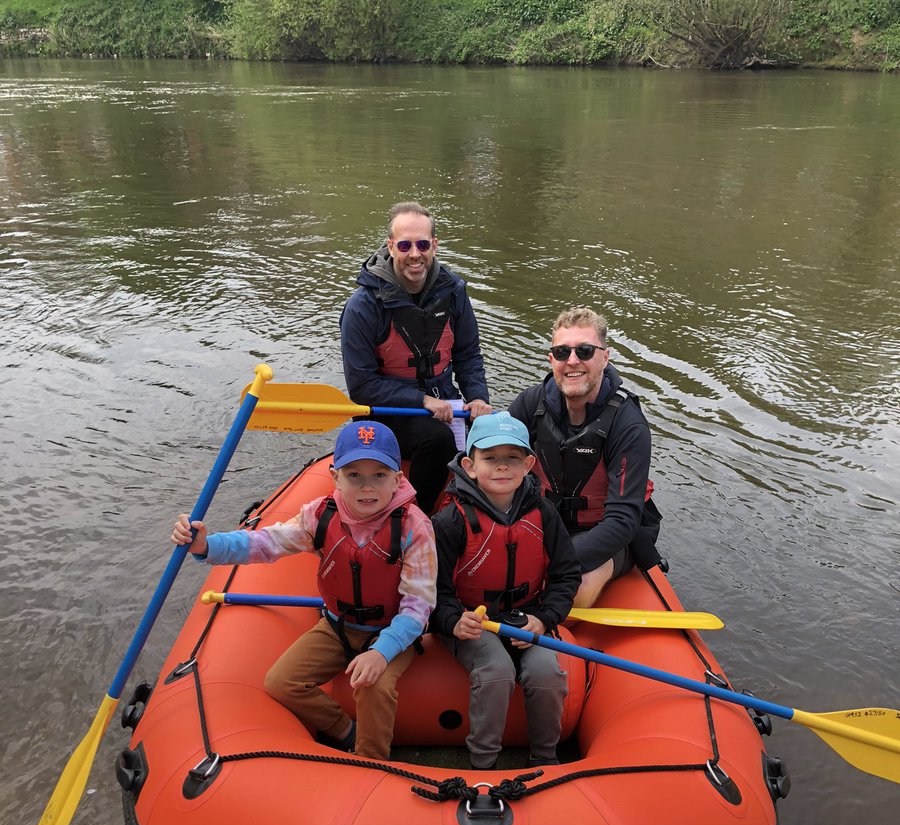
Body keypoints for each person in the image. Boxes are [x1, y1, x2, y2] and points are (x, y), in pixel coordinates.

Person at [171, 422, 437, 762]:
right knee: (281, 682)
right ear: (335, 477)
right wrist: (206, 545)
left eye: (379, 475)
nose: (367, 486)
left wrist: (381, 652)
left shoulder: (415, 527)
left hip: (392, 631)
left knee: (374, 686)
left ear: (398, 479)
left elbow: (418, 606)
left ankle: (372, 760)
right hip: (337, 625)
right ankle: (346, 731)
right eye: (354, 475)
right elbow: (266, 543)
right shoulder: (319, 516)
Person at [430, 412, 581, 771]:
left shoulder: (543, 513)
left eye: (512, 458)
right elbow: (432, 590)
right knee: (495, 670)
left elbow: (566, 574)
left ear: (528, 464)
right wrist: (452, 621)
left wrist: (543, 620)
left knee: (547, 674)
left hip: (525, 618)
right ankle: (483, 763)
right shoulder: (450, 521)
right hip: (471, 621)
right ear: (469, 465)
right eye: (490, 457)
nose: (502, 467)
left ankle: (544, 757)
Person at [340, 201, 492, 515]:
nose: (415, 254)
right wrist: (420, 400)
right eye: (405, 244)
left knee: (495, 438)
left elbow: (468, 355)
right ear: (391, 246)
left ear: (434, 246)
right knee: (437, 440)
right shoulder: (362, 306)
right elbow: (362, 386)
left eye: (422, 244)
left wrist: (477, 397)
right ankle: (416, 517)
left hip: (446, 403)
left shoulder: (454, 292)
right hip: (386, 411)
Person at [507, 307, 660, 609]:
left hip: (605, 533)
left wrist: (552, 559)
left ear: (605, 357)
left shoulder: (628, 425)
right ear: (551, 359)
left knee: (576, 592)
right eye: (562, 352)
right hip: (545, 521)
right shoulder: (530, 403)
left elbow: (622, 521)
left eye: (585, 351)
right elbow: (489, 458)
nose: (572, 361)